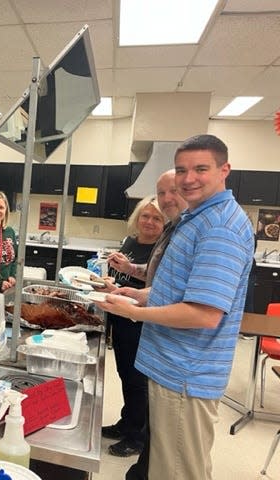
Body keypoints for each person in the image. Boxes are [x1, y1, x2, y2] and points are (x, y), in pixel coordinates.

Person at [97, 135, 254, 480]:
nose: (188, 178)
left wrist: (133, 312)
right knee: (166, 467)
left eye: (201, 168)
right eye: (182, 169)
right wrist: (139, 295)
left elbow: (204, 314)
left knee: (179, 472)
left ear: (224, 169)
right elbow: (182, 290)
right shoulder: (196, 219)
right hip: (169, 366)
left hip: (185, 374)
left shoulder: (220, 228)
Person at [97, 197, 165, 457]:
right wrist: (107, 281)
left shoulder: (161, 249)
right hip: (120, 318)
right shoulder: (130, 242)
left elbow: (155, 287)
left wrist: (118, 290)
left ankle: (137, 437)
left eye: (156, 218)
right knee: (125, 374)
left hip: (141, 322)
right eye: (145, 216)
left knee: (138, 380)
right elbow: (121, 278)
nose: (149, 222)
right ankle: (127, 422)